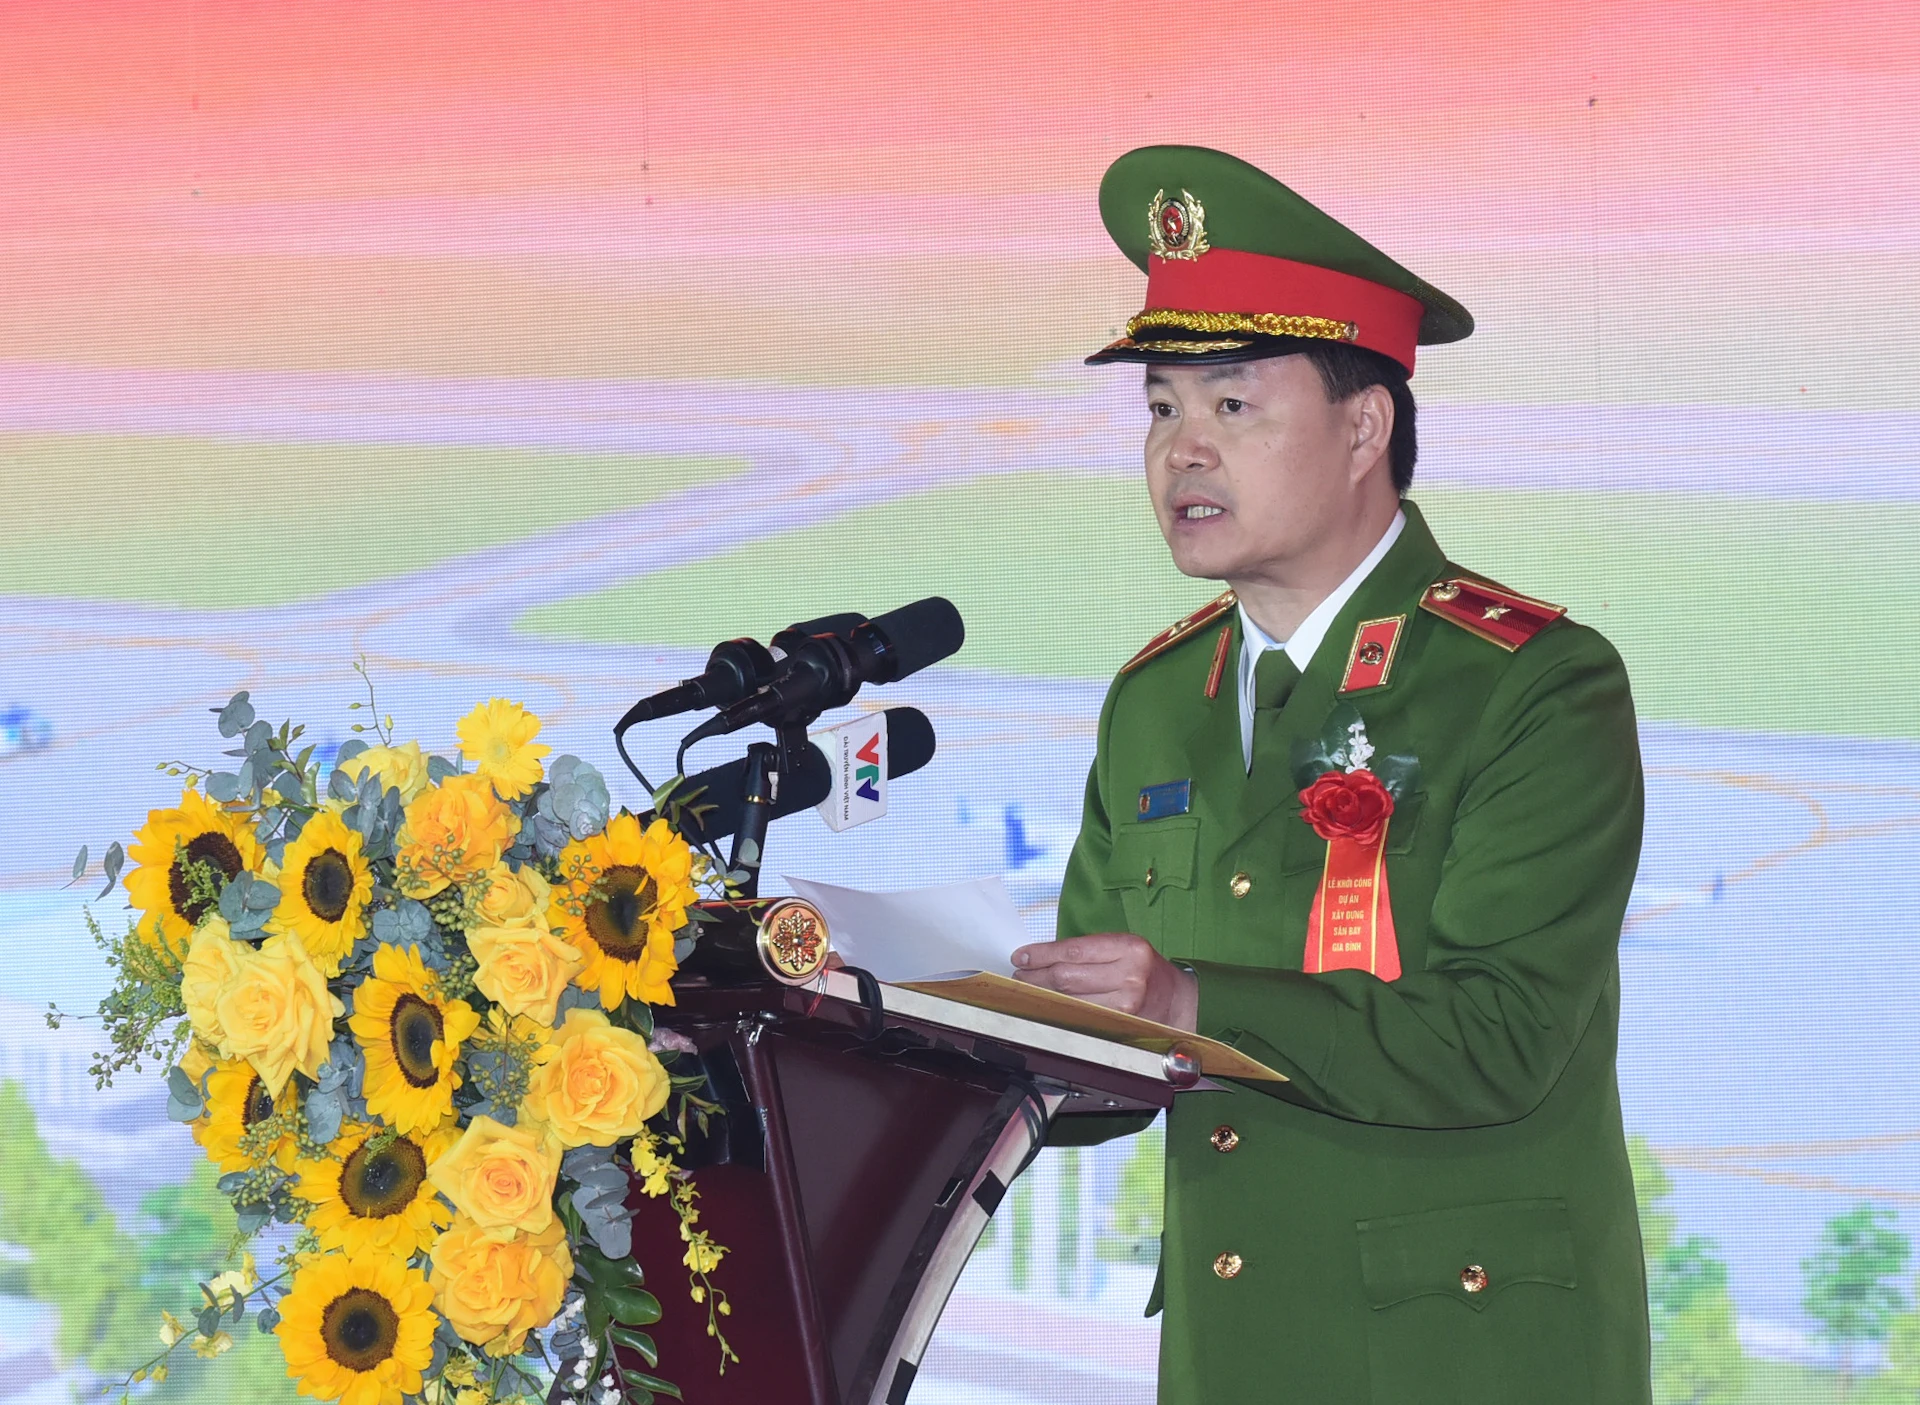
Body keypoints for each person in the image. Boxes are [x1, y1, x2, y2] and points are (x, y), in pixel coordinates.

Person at [1010, 145, 1650, 1404]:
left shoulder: (1532, 684)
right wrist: (900, 1032)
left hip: (1465, 1360)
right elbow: (1104, 1048)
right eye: (1159, 409)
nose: (1182, 453)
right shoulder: (1153, 706)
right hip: (1233, 1353)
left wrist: (1194, 1006)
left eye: (1232, 406)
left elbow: (1502, 1034)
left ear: (1366, 426)